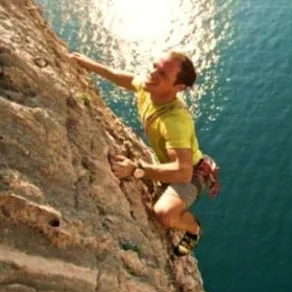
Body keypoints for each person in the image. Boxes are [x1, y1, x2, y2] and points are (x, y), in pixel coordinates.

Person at [70, 50, 220, 256]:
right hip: (173, 165)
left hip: (191, 174)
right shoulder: (149, 88)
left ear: (178, 88)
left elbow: (183, 172)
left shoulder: (175, 121)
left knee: (164, 214)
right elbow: (125, 78)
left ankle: (194, 229)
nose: (152, 74)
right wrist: (89, 64)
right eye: (154, 67)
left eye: (162, 74)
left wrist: (137, 170)